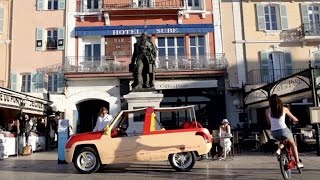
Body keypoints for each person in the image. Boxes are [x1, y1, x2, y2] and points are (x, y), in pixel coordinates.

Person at [265, 94, 303, 168]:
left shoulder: (267, 111)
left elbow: (269, 122)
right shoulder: (284, 109)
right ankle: (298, 163)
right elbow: (294, 118)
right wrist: (296, 120)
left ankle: (279, 150)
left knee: (283, 140)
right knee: (293, 144)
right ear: (279, 101)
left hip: (274, 132)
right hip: (283, 130)